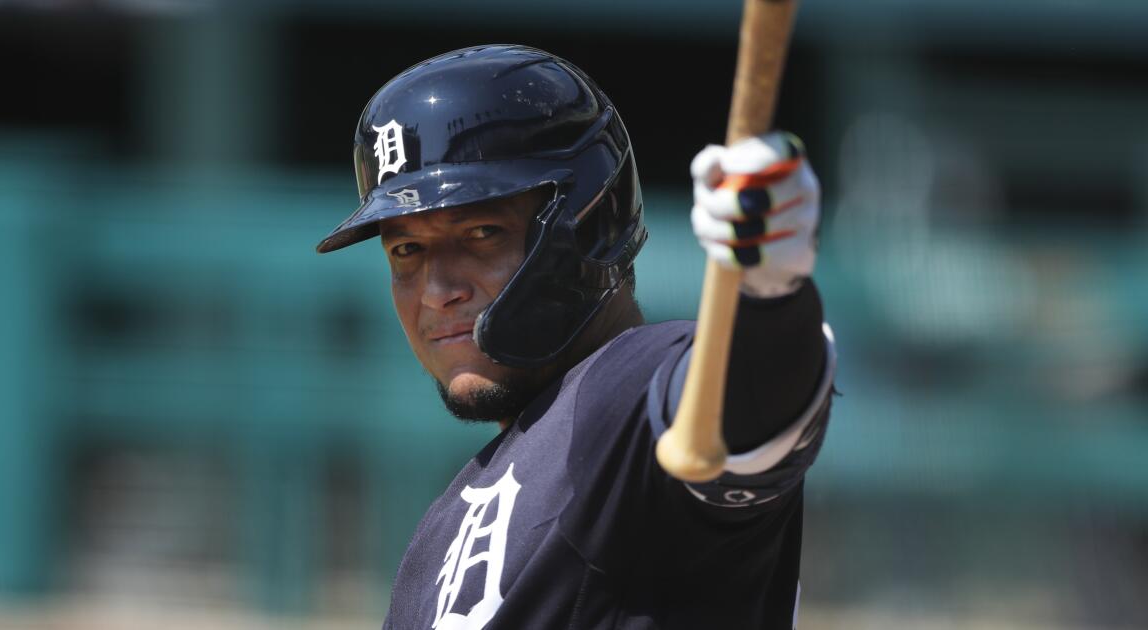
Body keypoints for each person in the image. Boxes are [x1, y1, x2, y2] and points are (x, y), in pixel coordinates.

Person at [316, 44, 834, 630]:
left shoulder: (623, 393)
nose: (437, 289)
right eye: (406, 249)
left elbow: (751, 399)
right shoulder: (433, 541)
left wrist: (770, 291)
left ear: (590, 223)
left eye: (481, 232)